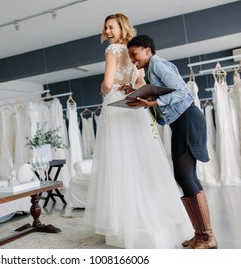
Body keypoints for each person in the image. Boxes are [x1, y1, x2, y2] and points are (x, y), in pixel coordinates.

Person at [83, 14, 192, 249]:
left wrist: (104, 89)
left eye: (111, 27)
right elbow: (141, 84)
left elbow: (108, 82)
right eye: (106, 28)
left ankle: (125, 222)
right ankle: (150, 215)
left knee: (119, 161)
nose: (108, 31)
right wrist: (131, 88)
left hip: (116, 105)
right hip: (135, 104)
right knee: (142, 159)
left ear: (121, 27)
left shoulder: (113, 50)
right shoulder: (134, 53)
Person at [125, 34, 218, 249]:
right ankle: (201, 235)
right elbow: (160, 95)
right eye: (130, 56)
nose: (133, 59)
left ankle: (207, 237)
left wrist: (153, 102)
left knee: (185, 176)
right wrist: (137, 95)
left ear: (147, 50)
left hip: (187, 119)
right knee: (185, 176)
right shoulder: (149, 71)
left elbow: (182, 91)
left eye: (134, 54)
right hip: (181, 122)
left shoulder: (157, 64)